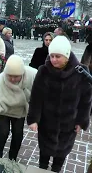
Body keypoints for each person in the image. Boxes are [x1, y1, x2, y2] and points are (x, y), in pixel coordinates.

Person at [27, 36, 92, 172]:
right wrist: (34, 119)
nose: (53, 60)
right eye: (51, 56)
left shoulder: (80, 72)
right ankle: (42, 169)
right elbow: (36, 97)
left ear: (67, 55)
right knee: (44, 155)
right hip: (47, 122)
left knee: (60, 157)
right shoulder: (43, 71)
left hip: (69, 124)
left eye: (58, 56)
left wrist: (81, 121)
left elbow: (86, 101)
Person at [0, 55, 37, 161]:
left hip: (19, 111)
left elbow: (43, 84)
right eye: (10, 75)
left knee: (17, 134)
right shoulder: (1, 79)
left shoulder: (31, 75)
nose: (12, 79)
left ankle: (12, 158)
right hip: (4, 110)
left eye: (16, 76)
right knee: (3, 132)